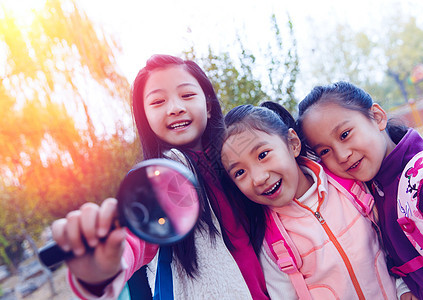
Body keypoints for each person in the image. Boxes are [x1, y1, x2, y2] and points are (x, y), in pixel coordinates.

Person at [50, 54, 269, 299]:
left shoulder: (241, 164)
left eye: (187, 95)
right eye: (158, 102)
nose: (175, 108)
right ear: (144, 117)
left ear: (208, 105)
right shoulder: (153, 183)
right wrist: (99, 269)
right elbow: (131, 243)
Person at [220, 102, 400, 299]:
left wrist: (403, 288)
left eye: (263, 155)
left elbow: (393, 242)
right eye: (240, 172)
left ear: (293, 143)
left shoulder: (348, 184)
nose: (258, 177)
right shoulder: (272, 241)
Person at [296, 81, 423, 299]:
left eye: (345, 134)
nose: (341, 155)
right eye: (325, 150)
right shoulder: (369, 196)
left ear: (377, 117)